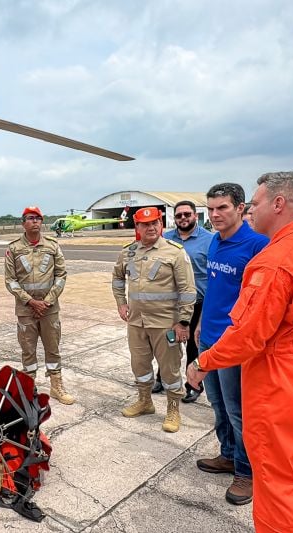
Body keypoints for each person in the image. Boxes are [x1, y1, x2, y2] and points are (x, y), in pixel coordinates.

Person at [188, 172, 293, 532]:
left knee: (276, 478)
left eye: (255, 204)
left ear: (278, 204)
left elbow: (248, 335)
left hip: (278, 377)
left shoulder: (272, 261)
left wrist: (203, 362)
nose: (251, 212)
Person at [191, 183, 268, 505]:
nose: (215, 215)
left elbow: (258, 304)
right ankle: (227, 455)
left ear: (240, 208)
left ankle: (247, 472)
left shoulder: (257, 245)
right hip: (209, 337)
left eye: (222, 207)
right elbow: (214, 291)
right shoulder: (216, 243)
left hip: (235, 344)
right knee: (219, 406)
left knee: (239, 412)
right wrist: (198, 327)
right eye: (210, 209)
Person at [112, 207, 196, 432]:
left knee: (169, 369)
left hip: (165, 323)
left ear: (161, 225)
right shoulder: (128, 252)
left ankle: (173, 408)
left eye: (155, 223)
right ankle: (145, 401)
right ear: (137, 227)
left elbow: (188, 290)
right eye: (145, 224)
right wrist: (121, 302)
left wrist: (184, 321)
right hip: (136, 323)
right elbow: (118, 278)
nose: (150, 228)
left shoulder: (175, 252)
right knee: (139, 365)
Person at [5, 206, 74, 405]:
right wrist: (30, 301)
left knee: (53, 349)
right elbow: (10, 280)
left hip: (49, 309)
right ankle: (28, 389)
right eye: (30, 218)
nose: (34, 221)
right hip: (26, 310)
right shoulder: (14, 249)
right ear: (23, 222)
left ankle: (56, 386)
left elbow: (61, 275)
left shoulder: (53, 246)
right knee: (28, 350)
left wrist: (48, 301)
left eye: (38, 218)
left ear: (42, 222)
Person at [156, 201, 214, 403]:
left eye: (186, 214)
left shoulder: (210, 240)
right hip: (170, 304)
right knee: (166, 343)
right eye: (178, 215)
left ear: (195, 215)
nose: (183, 218)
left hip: (197, 303)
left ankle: (193, 384)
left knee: (193, 346)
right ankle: (162, 377)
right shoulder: (165, 239)